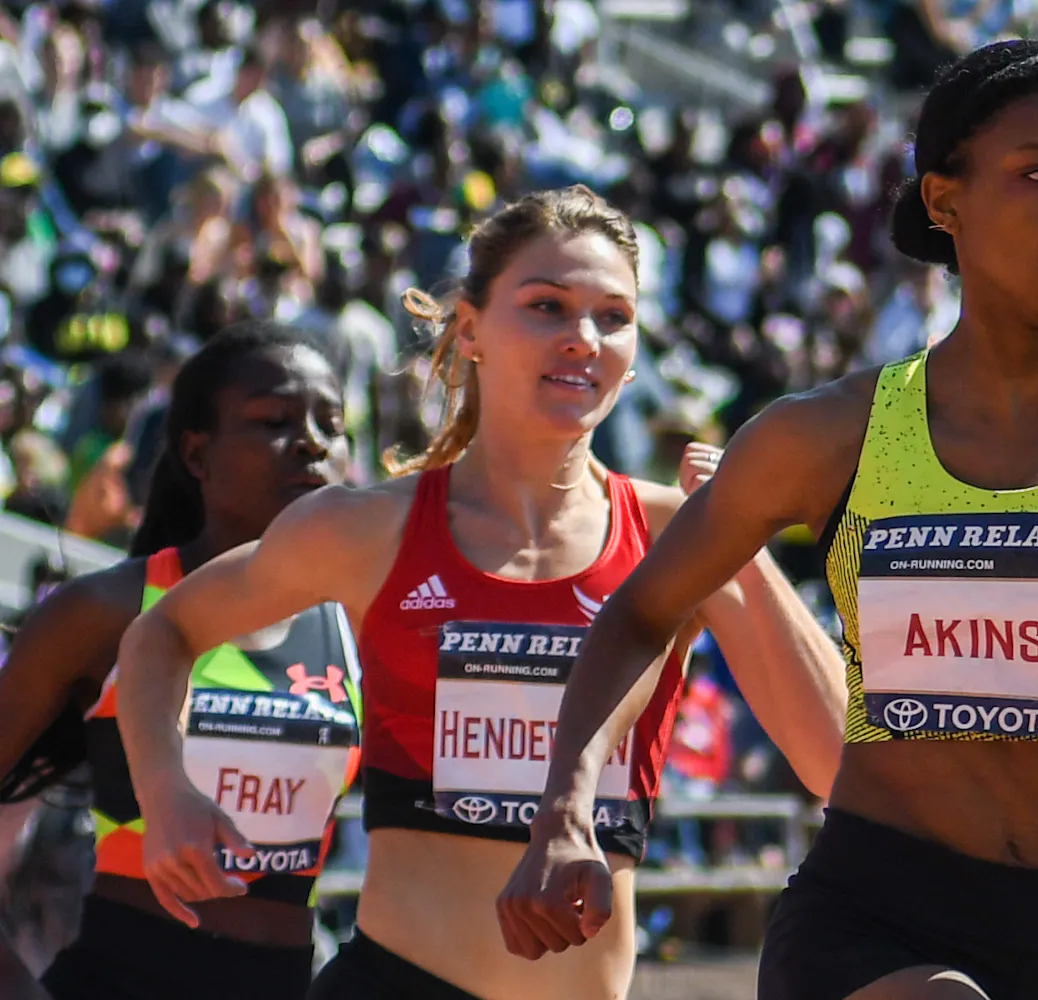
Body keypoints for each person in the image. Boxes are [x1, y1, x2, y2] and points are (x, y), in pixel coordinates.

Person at [499, 41, 1038, 1000]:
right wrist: (564, 809)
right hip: (869, 921)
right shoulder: (830, 434)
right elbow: (641, 613)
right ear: (944, 200)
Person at [114, 186, 846, 1000]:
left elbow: (837, 766)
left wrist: (739, 541)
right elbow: (160, 634)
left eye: (613, 316)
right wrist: (165, 792)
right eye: (547, 306)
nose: (583, 338)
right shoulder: (367, 528)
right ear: (470, 329)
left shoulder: (680, 533)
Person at [0, 321, 360, 1000]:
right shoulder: (105, 610)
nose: (313, 442)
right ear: (197, 453)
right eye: (275, 421)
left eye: (332, 425)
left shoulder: (356, 619)